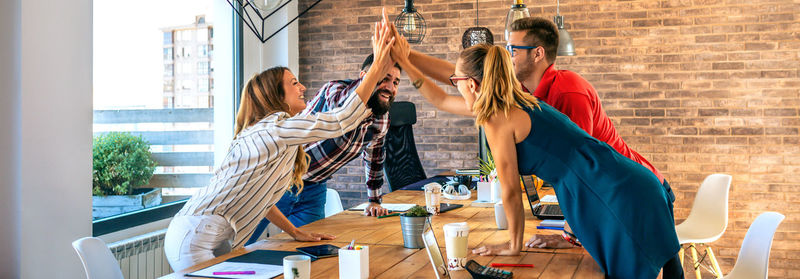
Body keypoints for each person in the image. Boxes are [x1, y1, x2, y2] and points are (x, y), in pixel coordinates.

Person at [391, 30, 681, 277]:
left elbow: (510, 192)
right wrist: (405, 58)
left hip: (610, 192)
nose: (453, 84)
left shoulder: (497, 119)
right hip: (625, 181)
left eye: (457, 81)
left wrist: (512, 245)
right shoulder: (513, 101)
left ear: (472, 85)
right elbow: (441, 98)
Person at [163, 23, 397, 271]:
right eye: (294, 83)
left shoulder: (278, 134)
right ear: (276, 95)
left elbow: (262, 200)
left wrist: (295, 232)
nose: (303, 88)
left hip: (205, 234)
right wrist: (377, 67)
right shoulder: (275, 130)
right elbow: (341, 120)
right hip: (193, 237)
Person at [245, 54, 402, 245]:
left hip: (314, 187)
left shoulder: (380, 118)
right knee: (243, 242)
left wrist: (375, 200)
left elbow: (374, 158)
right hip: (282, 180)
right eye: (384, 78)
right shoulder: (335, 89)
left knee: (309, 248)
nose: (391, 88)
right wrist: (374, 72)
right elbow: (344, 109)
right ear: (365, 76)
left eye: (396, 82)